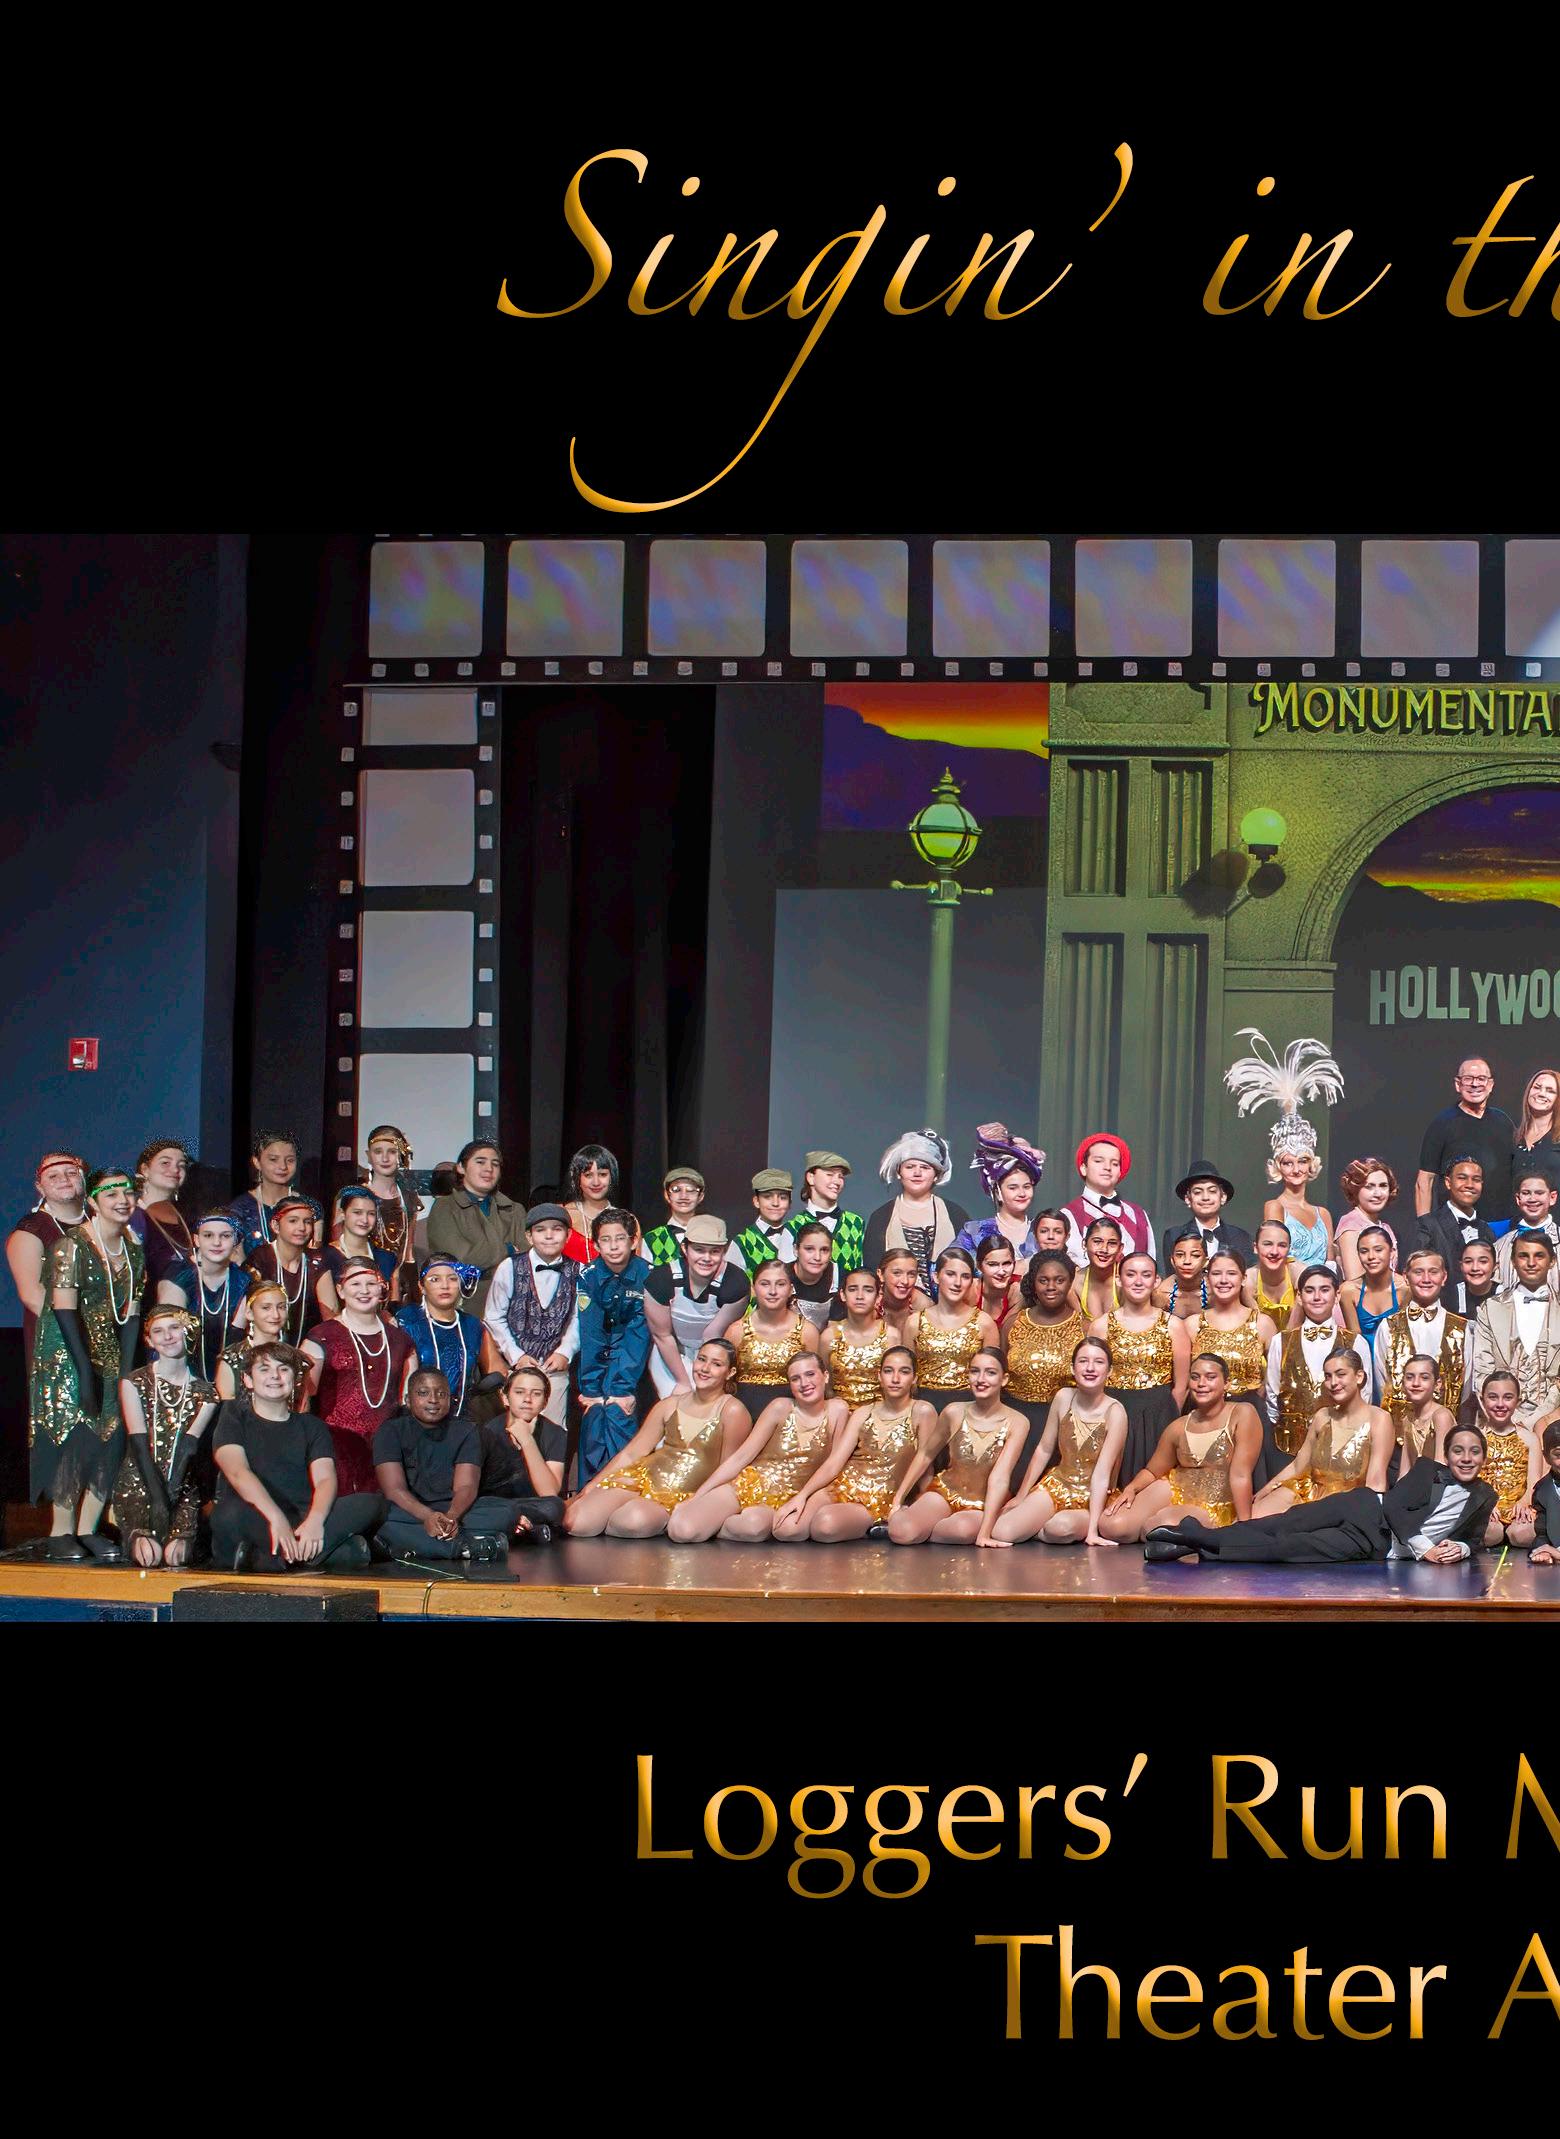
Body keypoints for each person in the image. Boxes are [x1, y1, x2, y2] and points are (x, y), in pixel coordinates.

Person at [1145, 1425, 1496, 1564]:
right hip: (1364, 1509)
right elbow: (1396, 1508)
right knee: (1278, 1524)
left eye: (1474, 1452)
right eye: (1458, 1451)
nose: (1466, 1458)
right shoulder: (1427, 1470)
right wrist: (1426, 1549)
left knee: (1288, 1547)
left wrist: (1461, 1548)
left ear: (1483, 1456)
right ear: (1447, 1454)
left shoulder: (1485, 1495)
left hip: (1373, 1544)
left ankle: (1193, 1540)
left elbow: (1474, 1538)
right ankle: (1197, 1538)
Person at [29, 1167, 147, 1562]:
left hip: (109, 1350)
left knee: (111, 1439)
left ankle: (88, 1527)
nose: (122, 1201)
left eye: (127, 1193)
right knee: (75, 1438)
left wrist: (126, 1374)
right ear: (93, 1202)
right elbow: (64, 1311)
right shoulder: (71, 1245)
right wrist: (83, 1372)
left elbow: (132, 1316)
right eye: (111, 1194)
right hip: (67, 1352)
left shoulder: (132, 1249)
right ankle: (61, 1530)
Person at [211, 1343, 385, 1572]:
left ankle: (277, 1559)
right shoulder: (234, 1415)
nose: (275, 1376)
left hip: (302, 1517)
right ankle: (333, 1553)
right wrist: (276, 1519)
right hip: (258, 1514)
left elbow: (325, 1479)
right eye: (264, 1369)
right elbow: (237, 1471)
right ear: (248, 1380)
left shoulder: (311, 1426)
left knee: (372, 1503)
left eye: (283, 1369)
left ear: (294, 1379)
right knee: (229, 1514)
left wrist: (315, 1522)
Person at [565, 1338, 750, 1537]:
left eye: (716, 1364)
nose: (705, 1368)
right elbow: (632, 1453)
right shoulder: (669, 1404)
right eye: (702, 1359)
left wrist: (697, 1504)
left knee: (631, 1521)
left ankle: (650, 1520)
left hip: (679, 1494)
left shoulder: (732, 1411)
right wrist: (594, 1484)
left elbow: (728, 1470)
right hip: (643, 1477)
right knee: (578, 1522)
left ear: (730, 1372)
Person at [373, 1365, 560, 1561]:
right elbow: (394, 1490)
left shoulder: (466, 1431)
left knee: (507, 1512)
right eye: (423, 1393)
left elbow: (466, 1486)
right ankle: (465, 1547)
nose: (433, 1399)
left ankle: (416, 1543)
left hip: (456, 1509)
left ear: (450, 1399)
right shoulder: (390, 1431)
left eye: (441, 1394)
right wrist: (428, 1516)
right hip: (410, 1510)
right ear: (408, 1400)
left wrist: (451, 1517)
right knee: (381, 1517)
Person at [667, 1351, 847, 1543]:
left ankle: (717, 1526)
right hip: (749, 1483)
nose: (804, 1383)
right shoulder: (780, 1406)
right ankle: (709, 1519)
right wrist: (697, 1497)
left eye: (810, 1374)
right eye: (795, 1378)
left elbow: (833, 1467)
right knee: (682, 1530)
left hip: (783, 1499)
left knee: (753, 1527)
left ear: (825, 1376)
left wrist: (803, 1497)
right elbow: (741, 1457)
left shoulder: (838, 1410)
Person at [1101, 1352, 1265, 1544]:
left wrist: (1245, 1528)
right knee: (1111, 1525)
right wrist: (1131, 1488)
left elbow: (1241, 1475)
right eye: (1195, 1377)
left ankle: (1161, 1527)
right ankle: (1158, 1526)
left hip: (1214, 1504)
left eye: (1210, 1377)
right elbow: (1152, 1471)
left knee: (1164, 1526)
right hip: (1176, 1490)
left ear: (1226, 1383)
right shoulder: (1178, 1426)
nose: (1201, 1383)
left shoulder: (1242, 1413)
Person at [781, 1348, 939, 1540]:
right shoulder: (863, 1412)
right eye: (888, 1371)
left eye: (904, 1372)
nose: (895, 1378)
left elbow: (925, 1466)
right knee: (787, 1528)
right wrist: (802, 1495)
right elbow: (834, 1463)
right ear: (879, 1376)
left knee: (824, 1526)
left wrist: (907, 1502)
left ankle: (870, 1525)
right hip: (842, 1486)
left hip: (878, 1499)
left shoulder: (923, 1411)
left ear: (914, 1378)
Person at [990, 1335, 1128, 1546]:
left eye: (1098, 1362)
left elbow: (1102, 1474)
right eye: (1083, 1361)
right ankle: (1038, 1523)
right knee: (1002, 1531)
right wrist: (1021, 1495)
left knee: (1059, 1528)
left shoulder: (1115, 1412)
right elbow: (1044, 1449)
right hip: (1059, 1484)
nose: (1090, 1368)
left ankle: (1048, 1528)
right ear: (1073, 1368)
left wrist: (1093, 1532)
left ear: (1109, 1371)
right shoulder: (1063, 1397)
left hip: (1092, 1494)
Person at [114, 1301, 217, 1568]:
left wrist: (170, 1497)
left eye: (174, 1328)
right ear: (149, 1340)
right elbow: (138, 1442)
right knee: (150, 1556)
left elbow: (188, 1448)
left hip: (181, 1486)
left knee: (174, 1556)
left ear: (187, 1332)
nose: (168, 1336)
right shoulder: (134, 1382)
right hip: (140, 1481)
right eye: (158, 1331)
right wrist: (157, 1497)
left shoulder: (207, 1393)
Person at [888, 1347, 1025, 1545]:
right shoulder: (954, 1412)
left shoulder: (1017, 1422)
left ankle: (927, 1531)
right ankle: (917, 1525)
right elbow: (926, 1454)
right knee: (901, 1532)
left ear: (1004, 1379)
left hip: (983, 1503)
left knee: (961, 1530)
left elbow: (1000, 1478)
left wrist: (984, 1534)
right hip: (946, 1491)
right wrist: (898, 1500)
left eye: (990, 1373)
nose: (981, 1379)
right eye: (975, 1371)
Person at [300, 1258, 415, 1494]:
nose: (364, 1291)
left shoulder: (401, 1340)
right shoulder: (320, 1337)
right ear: (340, 1290)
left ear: (382, 1289)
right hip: (336, 1450)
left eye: (371, 1284)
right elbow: (303, 1401)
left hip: (386, 1452)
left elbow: (407, 1401)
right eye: (355, 1284)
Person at [1250, 1345, 1394, 1518]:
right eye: (1328, 1376)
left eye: (1341, 1374)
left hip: (1345, 1503)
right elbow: (1298, 1465)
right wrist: (1265, 1490)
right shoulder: (1323, 1415)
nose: (1333, 1383)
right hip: (1308, 1492)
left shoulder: (1379, 1418)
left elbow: (1376, 1483)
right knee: (1254, 1516)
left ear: (1359, 1376)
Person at [573, 1209, 654, 1485]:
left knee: (620, 1409)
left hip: (637, 1362)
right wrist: (592, 1390)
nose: (614, 1246)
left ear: (633, 1241)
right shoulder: (588, 1275)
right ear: (596, 1245)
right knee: (595, 1410)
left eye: (620, 1238)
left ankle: (625, 1487)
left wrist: (622, 1388)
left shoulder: (648, 1275)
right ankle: (589, 1489)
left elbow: (639, 1334)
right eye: (605, 1240)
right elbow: (591, 1333)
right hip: (599, 1355)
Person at [482, 1202, 580, 1426]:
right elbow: (493, 1317)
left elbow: (578, 1318)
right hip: (517, 1368)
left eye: (557, 1229)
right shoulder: (509, 1267)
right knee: (515, 1430)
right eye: (540, 1229)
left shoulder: (580, 1271)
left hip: (555, 1369)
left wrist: (565, 1351)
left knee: (553, 1430)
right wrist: (516, 1355)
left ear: (568, 1235)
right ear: (529, 1236)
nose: (549, 1235)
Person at [1093, 1251, 1189, 1476]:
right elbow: (1093, 1380)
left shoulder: (1173, 1325)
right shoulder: (1101, 1326)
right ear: (1119, 1279)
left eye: (1146, 1275)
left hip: (1159, 1416)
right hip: (1114, 1412)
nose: (1138, 1281)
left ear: (1156, 1281)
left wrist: (1167, 1420)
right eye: (1131, 1274)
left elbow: (1181, 1386)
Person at [1266, 1267, 1373, 1459]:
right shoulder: (1280, 1341)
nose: (1317, 1297)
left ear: (1337, 1295)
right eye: (1309, 1290)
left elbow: (1364, 1395)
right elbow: (1273, 1394)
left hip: (1341, 1446)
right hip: (1288, 1447)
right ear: (1299, 1297)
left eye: (1324, 1290)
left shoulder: (1356, 1342)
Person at [642, 1216, 750, 1397]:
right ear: (685, 1248)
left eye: (714, 1251)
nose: (706, 1258)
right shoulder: (660, 1280)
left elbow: (713, 1334)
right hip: (670, 1353)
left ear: (724, 1251)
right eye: (699, 1250)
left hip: (713, 1352)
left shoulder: (736, 1282)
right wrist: (683, 1382)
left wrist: (704, 1376)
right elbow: (662, 1335)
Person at [1002, 1252, 1088, 1480]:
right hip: (1015, 1422)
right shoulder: (1013, 1324)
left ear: (1070, 1282)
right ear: (1034, 1282)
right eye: (1044, 1280)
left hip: (1063, 1426)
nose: (1051, 1287)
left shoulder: (1085, 1328)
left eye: (1059, 1280)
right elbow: (999, 1376)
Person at [1467, 1231, 1560, 1429]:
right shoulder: (1490, 1308)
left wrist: (1536, 1422)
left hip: (1552, 1423)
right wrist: (1507, 1420)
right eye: (1523, 1256)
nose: (1531, 1263)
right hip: (1498, 1422)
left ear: (1552, 1261)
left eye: (1539, 1256)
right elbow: (1482, 1370)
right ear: (1513, 1261)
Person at [424, 1139, 529, 1316]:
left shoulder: (514, 1209)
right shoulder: (445, 1208)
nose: (489, 1169)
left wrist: (487, 1257)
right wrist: (508, 1249)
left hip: (513, 1303)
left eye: (495, 1164)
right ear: (461, 1168)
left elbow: (526, 1257)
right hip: (468, 1305)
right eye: (480, 1162)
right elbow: (461, 1259)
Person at [7, 1150, 88, 1372]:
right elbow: (33, 1296)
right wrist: (81, 1335)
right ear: (40, 1188)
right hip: (59, 1344)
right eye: (53, 1176)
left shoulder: (99, 1223)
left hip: (104, 1339)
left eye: (71, 1172)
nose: (64, 1179)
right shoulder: (31, 1231)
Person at [862, 1131, 969, 1296]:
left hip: (948, 1306)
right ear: (899, 1172)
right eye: (910, 1167)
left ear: (936, 1175)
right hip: (894, 1306)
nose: (917, 1173)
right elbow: (871, 1271)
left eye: (925, 1167)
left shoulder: (955, 1214)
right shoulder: (881, 1217)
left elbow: (969, 1266)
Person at [1373, 1248, 1468, 1430]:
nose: (1426, 1279)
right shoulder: (1388, 1326)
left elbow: (1466, 1386)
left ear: (1444, 1277)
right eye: (1418, 1272)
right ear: (1406, 1277)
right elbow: (1382, 1382)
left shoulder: (1461, 1329)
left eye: (1433, 1272)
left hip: (1446, 1433)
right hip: (1400, 1434)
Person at [1415, 1057, 1515, 1227]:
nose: (1475, 1084)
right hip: (1455, 1225)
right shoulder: (1442, 1123)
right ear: (1458, 1084)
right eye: (1468, 1079)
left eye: (1481, 1079)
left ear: (1491, 1085)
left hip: (1502, 1223)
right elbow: (1425, 1180)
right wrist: (1425, 1229)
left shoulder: (1503, 1121)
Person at [475, 1362, 570, 1539]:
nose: (527, 1399)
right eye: (519, 1392)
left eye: (536, 1394)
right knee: (480, 1508)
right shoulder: (487, 1432)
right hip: (494, 1503)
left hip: (530, 1504)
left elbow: (548, 1492)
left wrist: (527, 1440)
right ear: (505, 1398)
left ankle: (516, 1525)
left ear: (545, 1402)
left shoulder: (555, 1434)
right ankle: (525, 1528)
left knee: (554, 1506)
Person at [395, 1254, 496, 1419]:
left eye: (452, 1279)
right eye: (435, 1279)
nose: (445, 1286)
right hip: (414, 1422)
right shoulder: (406, 1321)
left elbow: (496, 1372)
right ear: (422, 1286)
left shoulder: (473, 1325)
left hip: (461, 1422)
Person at [160, 1211, 252, 1380]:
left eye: (225, 1236)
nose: (216, 1242)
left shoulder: (243, 1280)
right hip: (183, 1377)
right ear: (196, 1239)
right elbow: (169, 1337)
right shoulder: (180, 1276)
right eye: (208, 1235)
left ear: (236, 1241)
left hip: (230, 1377)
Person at [1185, 1250, 1276, 1409]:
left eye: (1231, 1273)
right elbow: (1182, 1378)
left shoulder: (1262, 1323)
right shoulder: (1193, 1325)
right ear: (1207, 1279)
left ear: (1243, 1279)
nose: (1223, 1280)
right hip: (1202, 1411)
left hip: (1250, 1411)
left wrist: (1258, 1398)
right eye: (1216, 1274)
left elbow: (1276, 1373)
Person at [909, 1247, 999, 1407]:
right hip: (923, 1409)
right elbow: (907, 1378)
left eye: (965, 1276)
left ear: (971, 1281)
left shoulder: (984, 1323)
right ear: (936, 1276)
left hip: (969, 1409)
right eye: (950, 1274)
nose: (957, 1283)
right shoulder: (915, 1322)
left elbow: (992, 1380)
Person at [731, 1257, 817, 1419]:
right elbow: (726, 1383)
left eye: (780, 1284)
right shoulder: (737, 1331)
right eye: (765, 1284)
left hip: (792, 1419)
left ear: (791, 1289)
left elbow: (816, 1385)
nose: (772, 1291)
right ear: (753, 1288)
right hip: (743, 1418)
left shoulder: (807, 1332)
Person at [246, 1194, 336, 1343]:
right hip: (265, 1348)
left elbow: (331, 1318)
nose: (302, 1228)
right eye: (293, 1221)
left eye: (307, 1222)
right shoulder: (260, 1259)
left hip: (307, 1349)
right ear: (275, 1225)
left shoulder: (317, 1262)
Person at [957, 1125, 1046, 1272]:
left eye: (1027, 1187)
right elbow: (952, 1268)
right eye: (1013, 1188)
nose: (1022, 1193)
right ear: (997, 1192)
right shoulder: (975, 1232)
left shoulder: (1045, 1231)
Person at [1472, 1369, 1544, 1547]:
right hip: (1486, 1509)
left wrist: (1524, 1502)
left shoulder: (1530, 1439)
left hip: (1520, 1510)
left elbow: (1534, 1481)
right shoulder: (1475, 1439)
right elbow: (1470, 1481)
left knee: (1522, 1534)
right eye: (1493, 1397)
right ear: (1482, 1399)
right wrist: (1485, 1504)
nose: (1500, 1404)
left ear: (1517, 1401)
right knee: (1490, 1533)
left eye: (1507, 1397)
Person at [1060, 1133, 1155, 1268]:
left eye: (1114, 1163)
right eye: (1099, 1161)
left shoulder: (1139, 1215)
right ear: (1084, 1168)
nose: (1107, 1167)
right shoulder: (1068, 1215)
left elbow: (1150, 1263)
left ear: (1120, 1172)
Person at [229, 1130, 324, 1260]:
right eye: (273, 1159)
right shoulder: (239, 1208)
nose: (283, 1166)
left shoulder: (310, 1206)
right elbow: (235, 1260)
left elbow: (316, 1258)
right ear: (257, 1162)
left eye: (290, 1160)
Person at [355, 1124, 420, 1299]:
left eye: (392, 1151)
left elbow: (408, 1251)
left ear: (401, 1155)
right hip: (362, 1281)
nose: (385, 1158)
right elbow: (342, 1245)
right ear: (368, 1155)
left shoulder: (409, 1198)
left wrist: (413, 1287)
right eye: (378, 1151)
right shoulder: (355, 1197)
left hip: (399, 1284)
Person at [818, 1266, 892, 1409]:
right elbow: (825, 1385)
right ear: (843, 1295)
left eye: (868, 1290)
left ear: (878, 1296)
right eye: (852, 1289)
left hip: (879, 1415)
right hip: (839, 1414)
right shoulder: (829, 1336)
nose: (860, 1296)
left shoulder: (890, 1335)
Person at [129, 1138, 197, 1293]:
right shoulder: (132, 1217)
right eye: (165, 1163)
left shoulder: (186, 1217)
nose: (175, 1169)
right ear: (145, 1169)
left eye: (181, 1165)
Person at [1159, 1158, 1252, 1266]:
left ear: (1223, 1197)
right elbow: (1172, 1275)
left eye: (1212, 1191)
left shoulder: (1240, 1237)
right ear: (1188, 1199)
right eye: (1197, 1192)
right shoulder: (1174, 1235)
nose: (1205, 1197)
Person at [786, 1149, 866, 1274]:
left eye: (840, 1176)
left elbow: (863, 1271)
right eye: (829, 1174)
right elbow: (785, 1276)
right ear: (811, 1178)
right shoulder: (793, 1227)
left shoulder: (856, 1223)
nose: (837, 1181)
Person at [1416, 1156, 1497, 1276]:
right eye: (1462, 1178)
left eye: (1476, 1179)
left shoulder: (1486, 1230)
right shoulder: (1428, 1226)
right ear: (1448, 1183)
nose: (1469, 1185)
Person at [215, 1279, 294, 1401]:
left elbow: (301, 1407)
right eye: (266, 1308)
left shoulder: (296, 1359)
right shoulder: (232, 1359)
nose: (276, 1315)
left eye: (281, 1307)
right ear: (249, 1313)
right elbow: (227, 1408)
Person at [1263, 1141, 1334, 1275]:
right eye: (1288, 1163)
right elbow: (1274, 1257)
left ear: (1311, 1165)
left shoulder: (1323, 1214)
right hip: (1290, 1284)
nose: (1296, 1170)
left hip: (1324, 1285)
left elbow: (1331, 1263)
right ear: (1278, 1167)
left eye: (1302, 1161)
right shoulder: (1275, 1207)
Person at [1339, 1225, 1400, 1372]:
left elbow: (1404, 1339)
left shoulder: (1404, 1289)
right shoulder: (1349, 1291)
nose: (1371, 1256)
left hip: (1395, 1366)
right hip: (1364, 1365)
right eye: (1364, 1251)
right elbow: (1355, 1342)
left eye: (1378, 1250)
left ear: (1392, 1252)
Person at [1334, 1155, 1400, 1278]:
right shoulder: (1351, 1225)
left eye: (1383, 1186)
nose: (1378, 1194)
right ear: (1355, 1189)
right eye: (1369, 1186)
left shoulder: (1385, 1227)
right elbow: (1354, 1280)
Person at [326, 1185, 400, 1295]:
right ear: (342, 1214)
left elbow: (394, 1300)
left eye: (371, 1214)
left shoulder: (387, 1258)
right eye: (357, 1212)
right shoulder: (326, 1257)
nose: (365, 1220)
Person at [1392, 1352, 1457, 1475]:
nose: (1416, 1383)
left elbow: (1440, 1467)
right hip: (1415, 1484)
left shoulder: (1441, 1416)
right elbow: (1404, 1471)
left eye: (1424, 1378)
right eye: (1410, 1377)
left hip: (1439, 1484)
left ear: (1437, 1384)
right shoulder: (1407, 1419)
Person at [561, 1142, 624, 1265]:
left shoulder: (626, 1220)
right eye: (588, 1175)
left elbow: (637, 1270)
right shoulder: (562, 1216)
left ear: (612, 1177)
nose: (596, 1182)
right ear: (577, 1179)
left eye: (603, 1174)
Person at [1495, 1176, 1560, 1291]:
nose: (1532, 1199)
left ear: (1552, 1197)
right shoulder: (1500, 1246)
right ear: (1518, 1199)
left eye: (1539, 1193)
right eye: (1526, 1193)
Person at [734, 1167, 798, 1272]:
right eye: (767, 1197)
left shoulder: (797, 1234)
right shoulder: (743, 1243)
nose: (775, 1203)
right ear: (756, 1201)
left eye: (782, 1197)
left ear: (790, 1203)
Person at [1510, 1067, 1560, 1196]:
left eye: (1550, 1091)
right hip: (1515, 1208)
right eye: (1537, 1087)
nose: (1541, 1094)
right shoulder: (1513, 1137)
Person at [1243, 1218, 1301, 1327]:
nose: (1274, 1252)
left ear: (1289, 1249)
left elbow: (1295, 1326)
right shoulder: (1248, 1279)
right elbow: (1257, 1327)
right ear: (1255, 1248)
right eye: (1268, 1244)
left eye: (1282, 1245)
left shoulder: (1299, 1273)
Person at [789, 1220, 842, 1333]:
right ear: (796, 1250)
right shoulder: (781, 1276)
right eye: (809, 1249)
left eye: (824, 1250)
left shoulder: (840, 1276)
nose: (817, 1257)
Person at [1072, 1216, 1125, 1319]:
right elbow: (1077, 1325)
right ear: (1084, 1244)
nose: (1104, 1249)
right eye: (1097, 1241)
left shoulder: (1127, 1281)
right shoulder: (1075, 1282)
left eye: (1112, 1243)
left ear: (1120, 1248)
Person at [876, 1249, 932, 1344]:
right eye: (897, 1273)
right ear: (881, 1274)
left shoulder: (924, 1306)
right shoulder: (870, 1303)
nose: (905, 1281)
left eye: (911, 1274)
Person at [1154, 1232, 1210, 1321]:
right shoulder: (1161, 1294)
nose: (1187, 1261)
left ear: (1205, 1262)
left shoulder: (1215, 1293)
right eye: (1180, 1255)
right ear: (1172, 1261)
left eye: (1195, 1255)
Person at [1527, 1418, 1560, 1564]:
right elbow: (1542, 1532)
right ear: (1546, 1457)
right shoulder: (1542, 1490)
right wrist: (1543, 1550)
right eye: (1558, 1454)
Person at [1445, 1236, 1499, 1322]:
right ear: (1461, 1266)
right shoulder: (1450, 1296)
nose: (1475, 1268)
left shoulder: (1506, 1297)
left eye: (1483, 1261)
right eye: (1468, 1261)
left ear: (1495, 1266)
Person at [972, 1235, 1020, 1330]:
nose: (1001, 1272)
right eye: (993, 1264)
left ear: (1014, 1264)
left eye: (1006, 1263)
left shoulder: (1020, 1291)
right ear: (979, 1266)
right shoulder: (970, 1289)